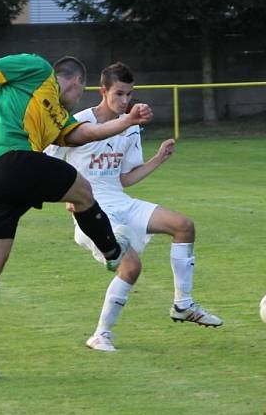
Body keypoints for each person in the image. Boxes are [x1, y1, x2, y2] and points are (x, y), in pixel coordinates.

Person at [0, 53, 154, 377]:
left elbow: (88, 134)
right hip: (7, 161)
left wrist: (128, 121)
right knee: (83, 189)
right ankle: (111, 251)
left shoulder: (60, 118)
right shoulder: (37, 68)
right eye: (80, 92)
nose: (78, 99)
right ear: (76, 82)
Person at [45, 62, 222, 353]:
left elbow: (124, 178)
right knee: (131, 266)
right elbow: (48, 163)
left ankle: (183, 304)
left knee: (184, 226)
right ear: (103, 91)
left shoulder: (130, 127)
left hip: (120, 202)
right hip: (92, 211)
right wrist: (70, 196)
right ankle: (100, 335)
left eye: (129, 94)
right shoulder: (77, 122)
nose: (125, 101)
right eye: (119, 94)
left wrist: (158, 159)